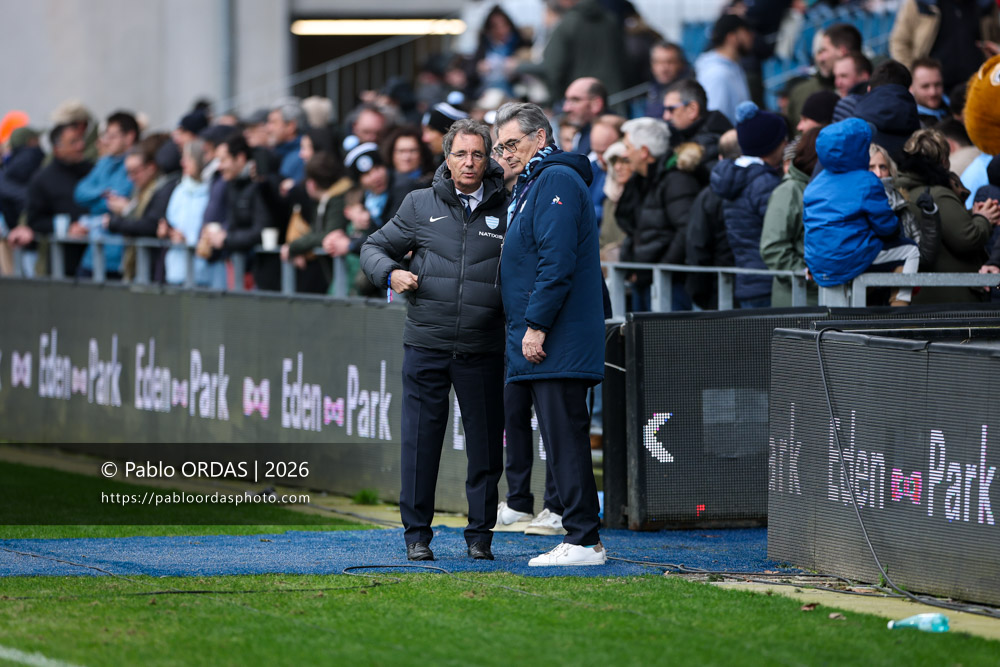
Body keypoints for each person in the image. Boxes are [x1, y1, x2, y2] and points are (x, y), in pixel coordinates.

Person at [360, 119, 508, 562]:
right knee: (421, 445)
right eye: (461, 154)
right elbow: (372, 247)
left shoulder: (511, 204)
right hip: (426, 343)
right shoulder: (419, 203)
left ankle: (480, 537)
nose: (469, 162)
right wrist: (391, 273)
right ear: (447, 158)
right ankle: (416, 537)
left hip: (484, 347)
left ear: (488, 158)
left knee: (485, 448)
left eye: (477, 154)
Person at [493, 101, 605, 566]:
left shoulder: (555, 179)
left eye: (512, 144)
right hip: (553, 337)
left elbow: (556, 262)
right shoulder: (535, 181)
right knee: (561, 440)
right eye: (500, 147)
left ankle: (583, 539)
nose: (505, 154)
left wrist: (536, 325)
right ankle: (580, 536)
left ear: (540, 137)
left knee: (566, 440)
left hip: (558, 337)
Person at [803, 119, 921, 306]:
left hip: (819, 264)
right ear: (858, 149)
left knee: (838, 318)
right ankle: (899, 307)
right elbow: (886, 227)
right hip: (849, 258)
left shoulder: (814, 184)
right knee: (910, 250)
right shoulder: (866, 181)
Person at [895, 128, 1000, 304]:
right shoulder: (938, 195)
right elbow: (967, 237)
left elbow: (947, 226)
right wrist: (984, 218)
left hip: (925, 295)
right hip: (950, 297)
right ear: (944, 161)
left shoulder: (904, 191)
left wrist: (972, 214)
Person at [616, 116, 701, 311]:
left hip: (669, 286)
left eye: (628, 147)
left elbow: (686, 230)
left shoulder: (676, 181)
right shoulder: (642, 181)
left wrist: (661, 270)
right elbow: (635, 229)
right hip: (646, 280)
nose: (625, 154)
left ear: (644, 152)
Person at [711, 102, 787, 308]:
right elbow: (779, 232)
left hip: (748, 282)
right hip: (769, 284)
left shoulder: (736, 177)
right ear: (770, 145)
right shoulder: (764, 182)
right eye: (782, 140)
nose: (786, 144)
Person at [8, 123, 93, 277]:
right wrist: (67, 226)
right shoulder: (42, 179)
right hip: (61, 262)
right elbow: (34, 220)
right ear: (57, 148)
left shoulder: (92, 170)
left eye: (81, 140)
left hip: (95, 257)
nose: (80, 146)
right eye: (73, 142)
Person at [760, 127, 820, 307]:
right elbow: (773, 247)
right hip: (799, 301)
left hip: (821, 299)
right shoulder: (790, 190)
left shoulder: (820, 188)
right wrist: (809, 275)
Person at [890, 0, 1000, 91]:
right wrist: (913, 76)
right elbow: (899, 43)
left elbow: (996, 39)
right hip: (932, 90)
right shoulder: (919, 4)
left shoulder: (986, 5)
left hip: (977, 86)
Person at [786, 24, 862, 132]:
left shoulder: (870, 91)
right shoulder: (801, 92)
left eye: (824, 51)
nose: (819, 58)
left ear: (842, 51)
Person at [662, 78, 733, 186]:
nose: (666, 116)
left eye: (671, 109)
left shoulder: (708, 146)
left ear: (692, 109)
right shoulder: (689, 137)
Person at [695, 14, 754, 124]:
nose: (751, 37)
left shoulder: (733, 67)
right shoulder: (717, 73)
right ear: (731, 37)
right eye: (746, 32)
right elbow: (715, 122)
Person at [644, 41, 689, 119]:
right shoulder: (654, 87)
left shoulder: (689, 90)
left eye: (670, 62)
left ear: (681, 64)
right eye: (658, 62)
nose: (663, 69)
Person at [909, 58, 950, 124]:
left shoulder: (956, 110)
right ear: (911, 88)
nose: (933, 92)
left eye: (937, 85)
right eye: (925, 86)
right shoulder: (908, 121)